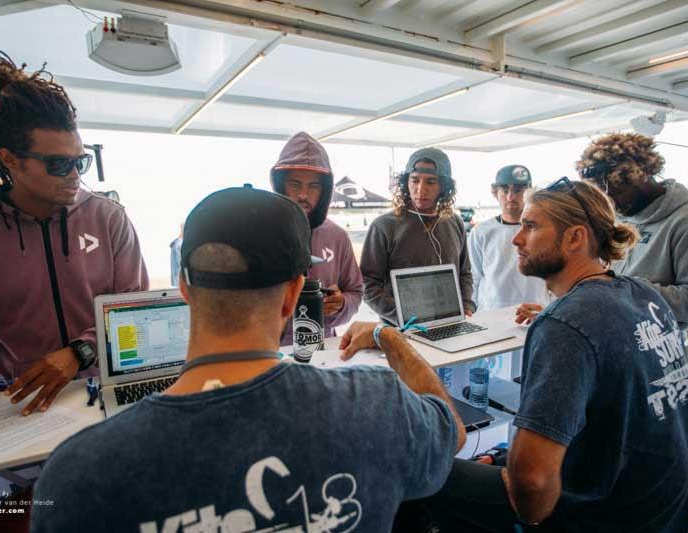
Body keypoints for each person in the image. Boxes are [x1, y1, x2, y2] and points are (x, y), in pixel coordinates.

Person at [31, 187, 464, 532]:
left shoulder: (78, 474)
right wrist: (389, 337)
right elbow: (452, 433)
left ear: (184, 288)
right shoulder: (378, 404)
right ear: (294, 295)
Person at [401, 178, 688, 532]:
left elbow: (531, 488)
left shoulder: (566, 324)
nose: (517, 239)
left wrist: (389, 339)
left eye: (530, 227)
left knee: (415, 465)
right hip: (675, 513)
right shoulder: (643, 295)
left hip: (605, 520)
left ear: (575, 237)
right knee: (498, 458)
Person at [0, 50, 148, 415]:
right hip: (23, 402)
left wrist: (79, 354)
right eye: (58, 164)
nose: (74, 175)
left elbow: (134, 310)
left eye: (80, 161)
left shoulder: (109, 218)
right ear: (11, 160)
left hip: (111, 396)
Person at [578, 132, 688, 329]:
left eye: (616, 191)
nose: (610, 202)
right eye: (603, 194)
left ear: (640, 175)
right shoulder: (621, 217)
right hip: (612, 335)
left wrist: (624, 289)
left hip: (655, 347)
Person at [361, 148, 474, 325]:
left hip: (451, 326)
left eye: (431, 182)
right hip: (400, 331)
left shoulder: (455, 223)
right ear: (406, 182)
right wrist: (403, 317)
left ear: (444, 186)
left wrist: (466, 304)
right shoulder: (384, 226)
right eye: (414, 180)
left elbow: (464, 272)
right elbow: (367, 284)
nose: (421, 189)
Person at [270, 131, 363, 344]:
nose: (303, 194)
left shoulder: (337, 236)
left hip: (324, 350)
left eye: (313, 186)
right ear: (280, 184)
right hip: (272, 351)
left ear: (325, 190)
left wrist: (341, 304)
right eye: (295, 184)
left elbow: (355, 292)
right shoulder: (260, 233)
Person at [469, 165, 549, 311]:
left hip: (535, 312)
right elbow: (474, 277)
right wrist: (472, 311)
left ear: (528, 193)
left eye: (518, 190)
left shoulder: (545, 230)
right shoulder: (481, 232)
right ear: (495, 193)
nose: (511, 197)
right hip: (491, 314)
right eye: (505, 190)